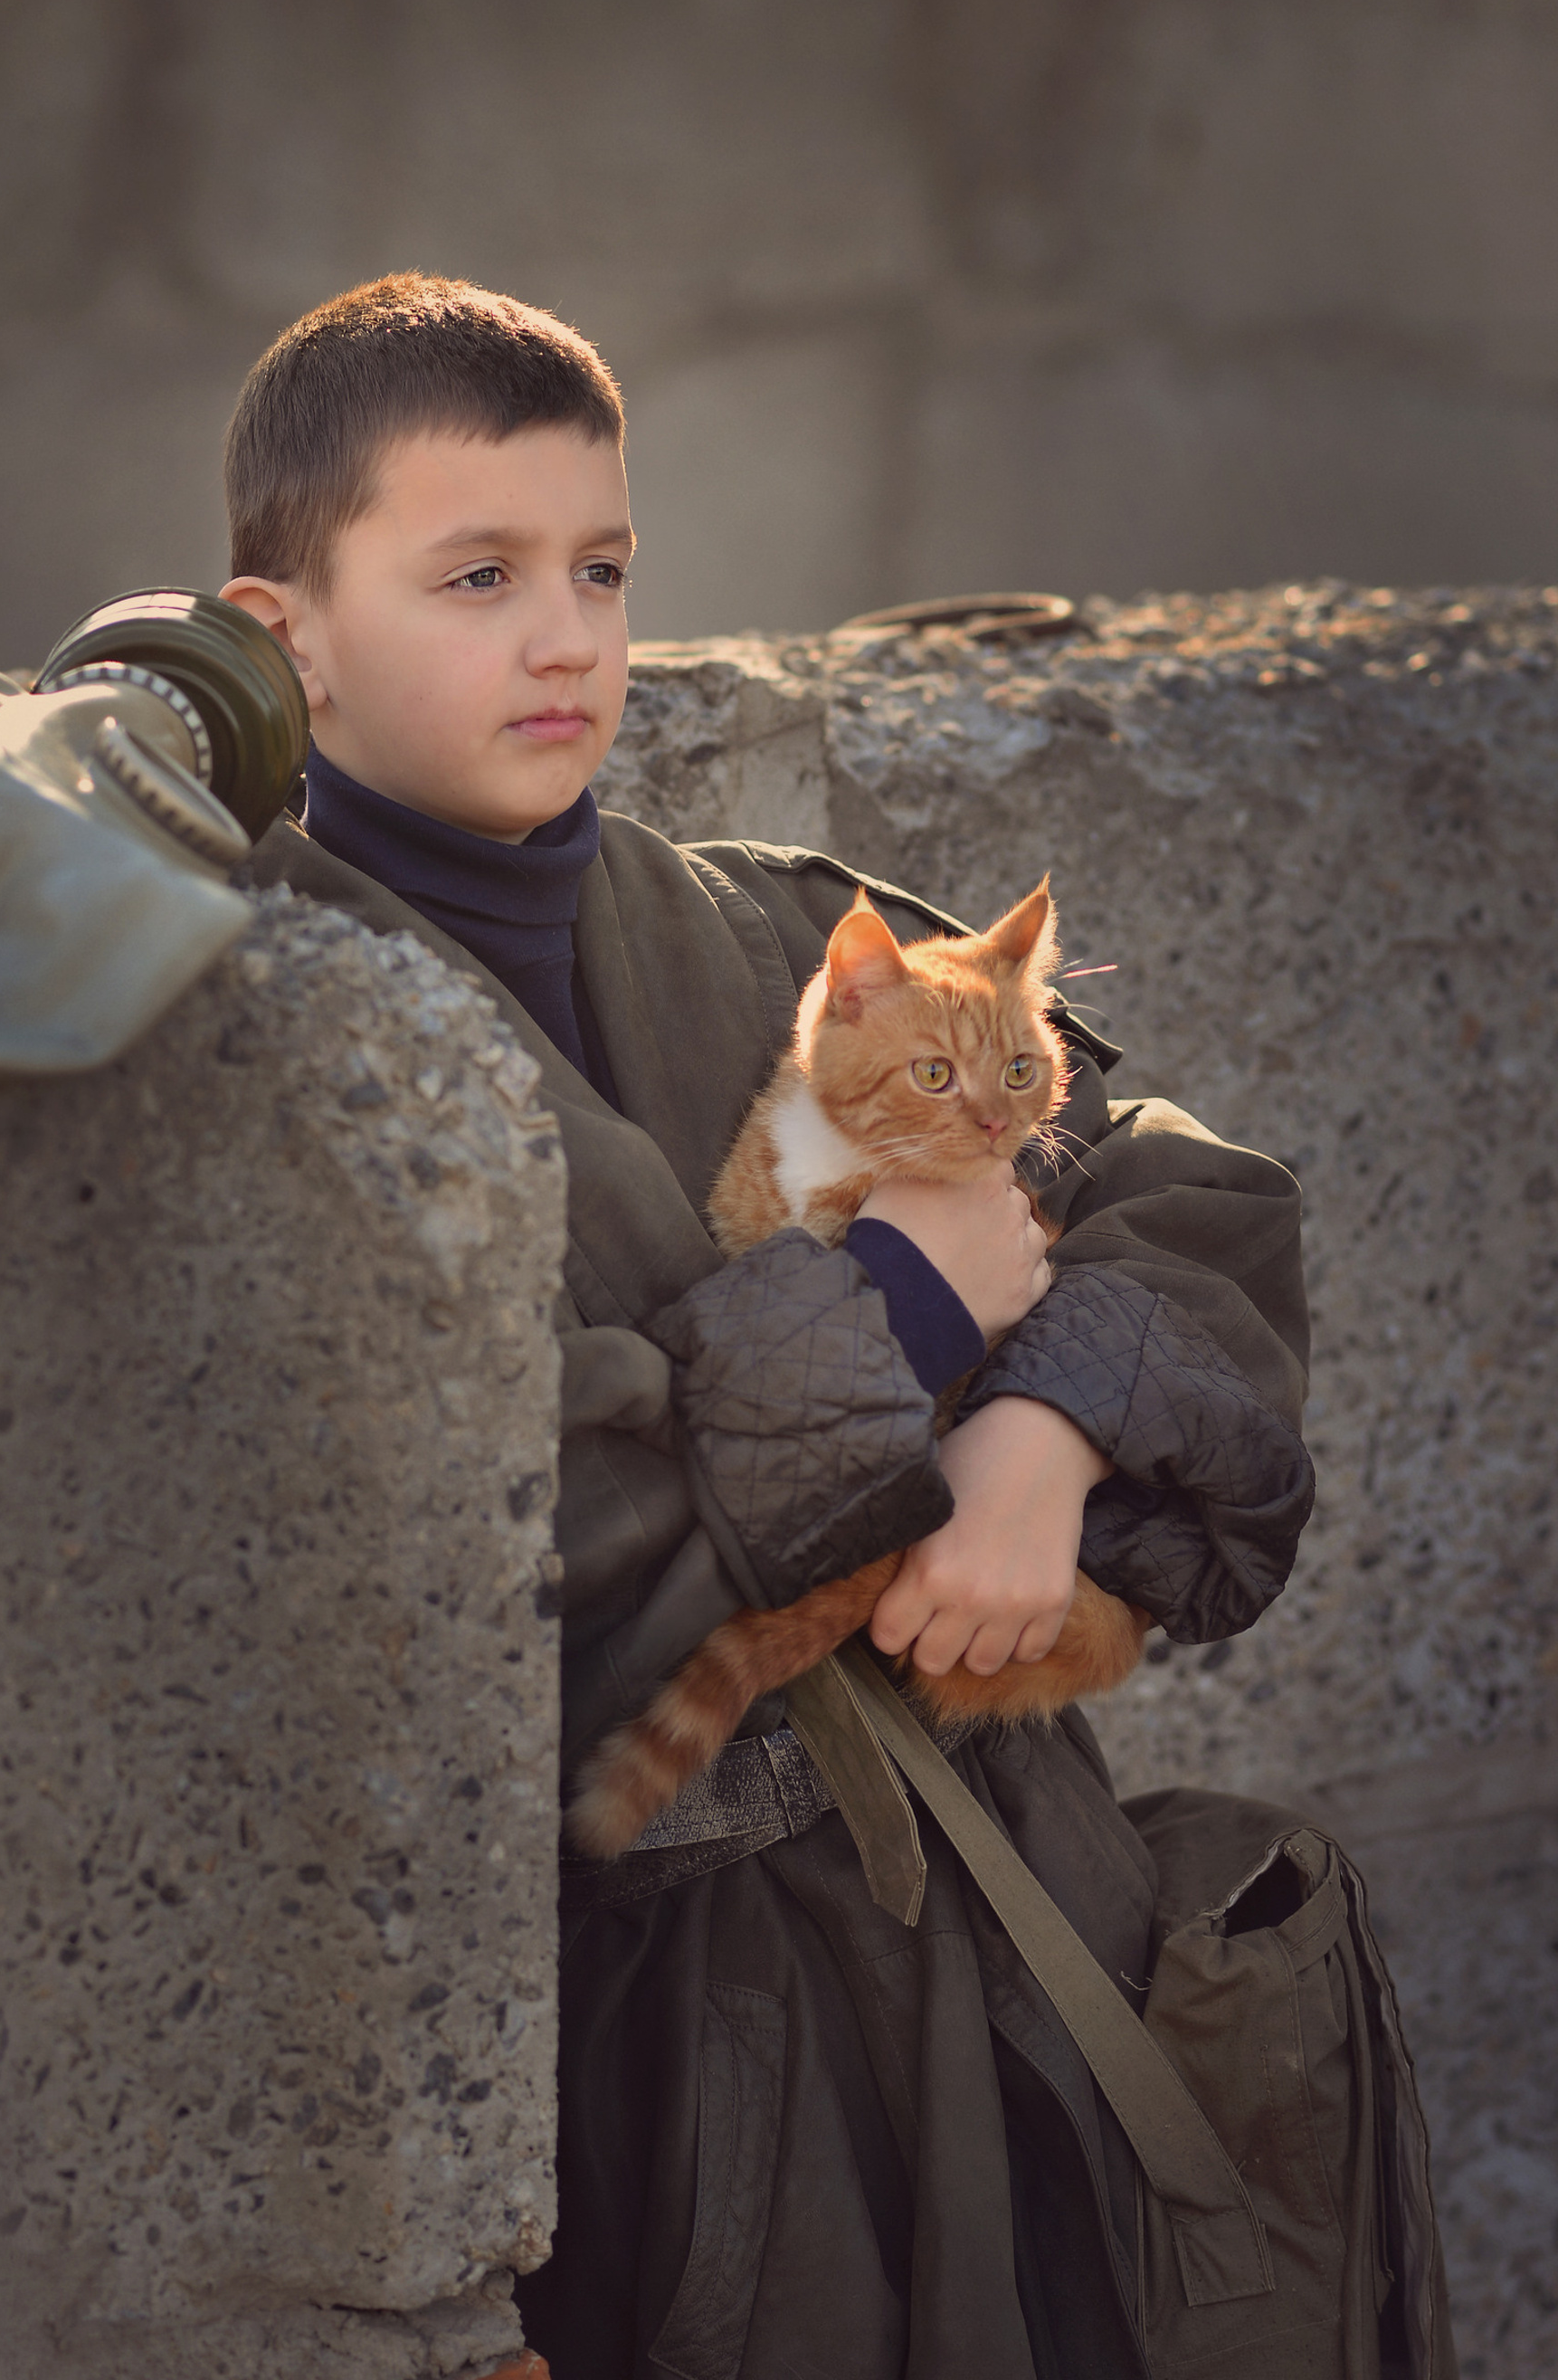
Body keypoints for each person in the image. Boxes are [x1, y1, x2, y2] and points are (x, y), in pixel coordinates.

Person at [219, 274, 1392, 2378]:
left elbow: (1189, 1196)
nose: (566, 637)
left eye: (601, 569)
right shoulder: (253, 1044)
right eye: (474, 575)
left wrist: (1046, 1435)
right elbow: (528, 1547)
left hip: (1010, 1959)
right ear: (285, 629)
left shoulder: (772, 924)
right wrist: (919, 1299)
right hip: (627, 2069)